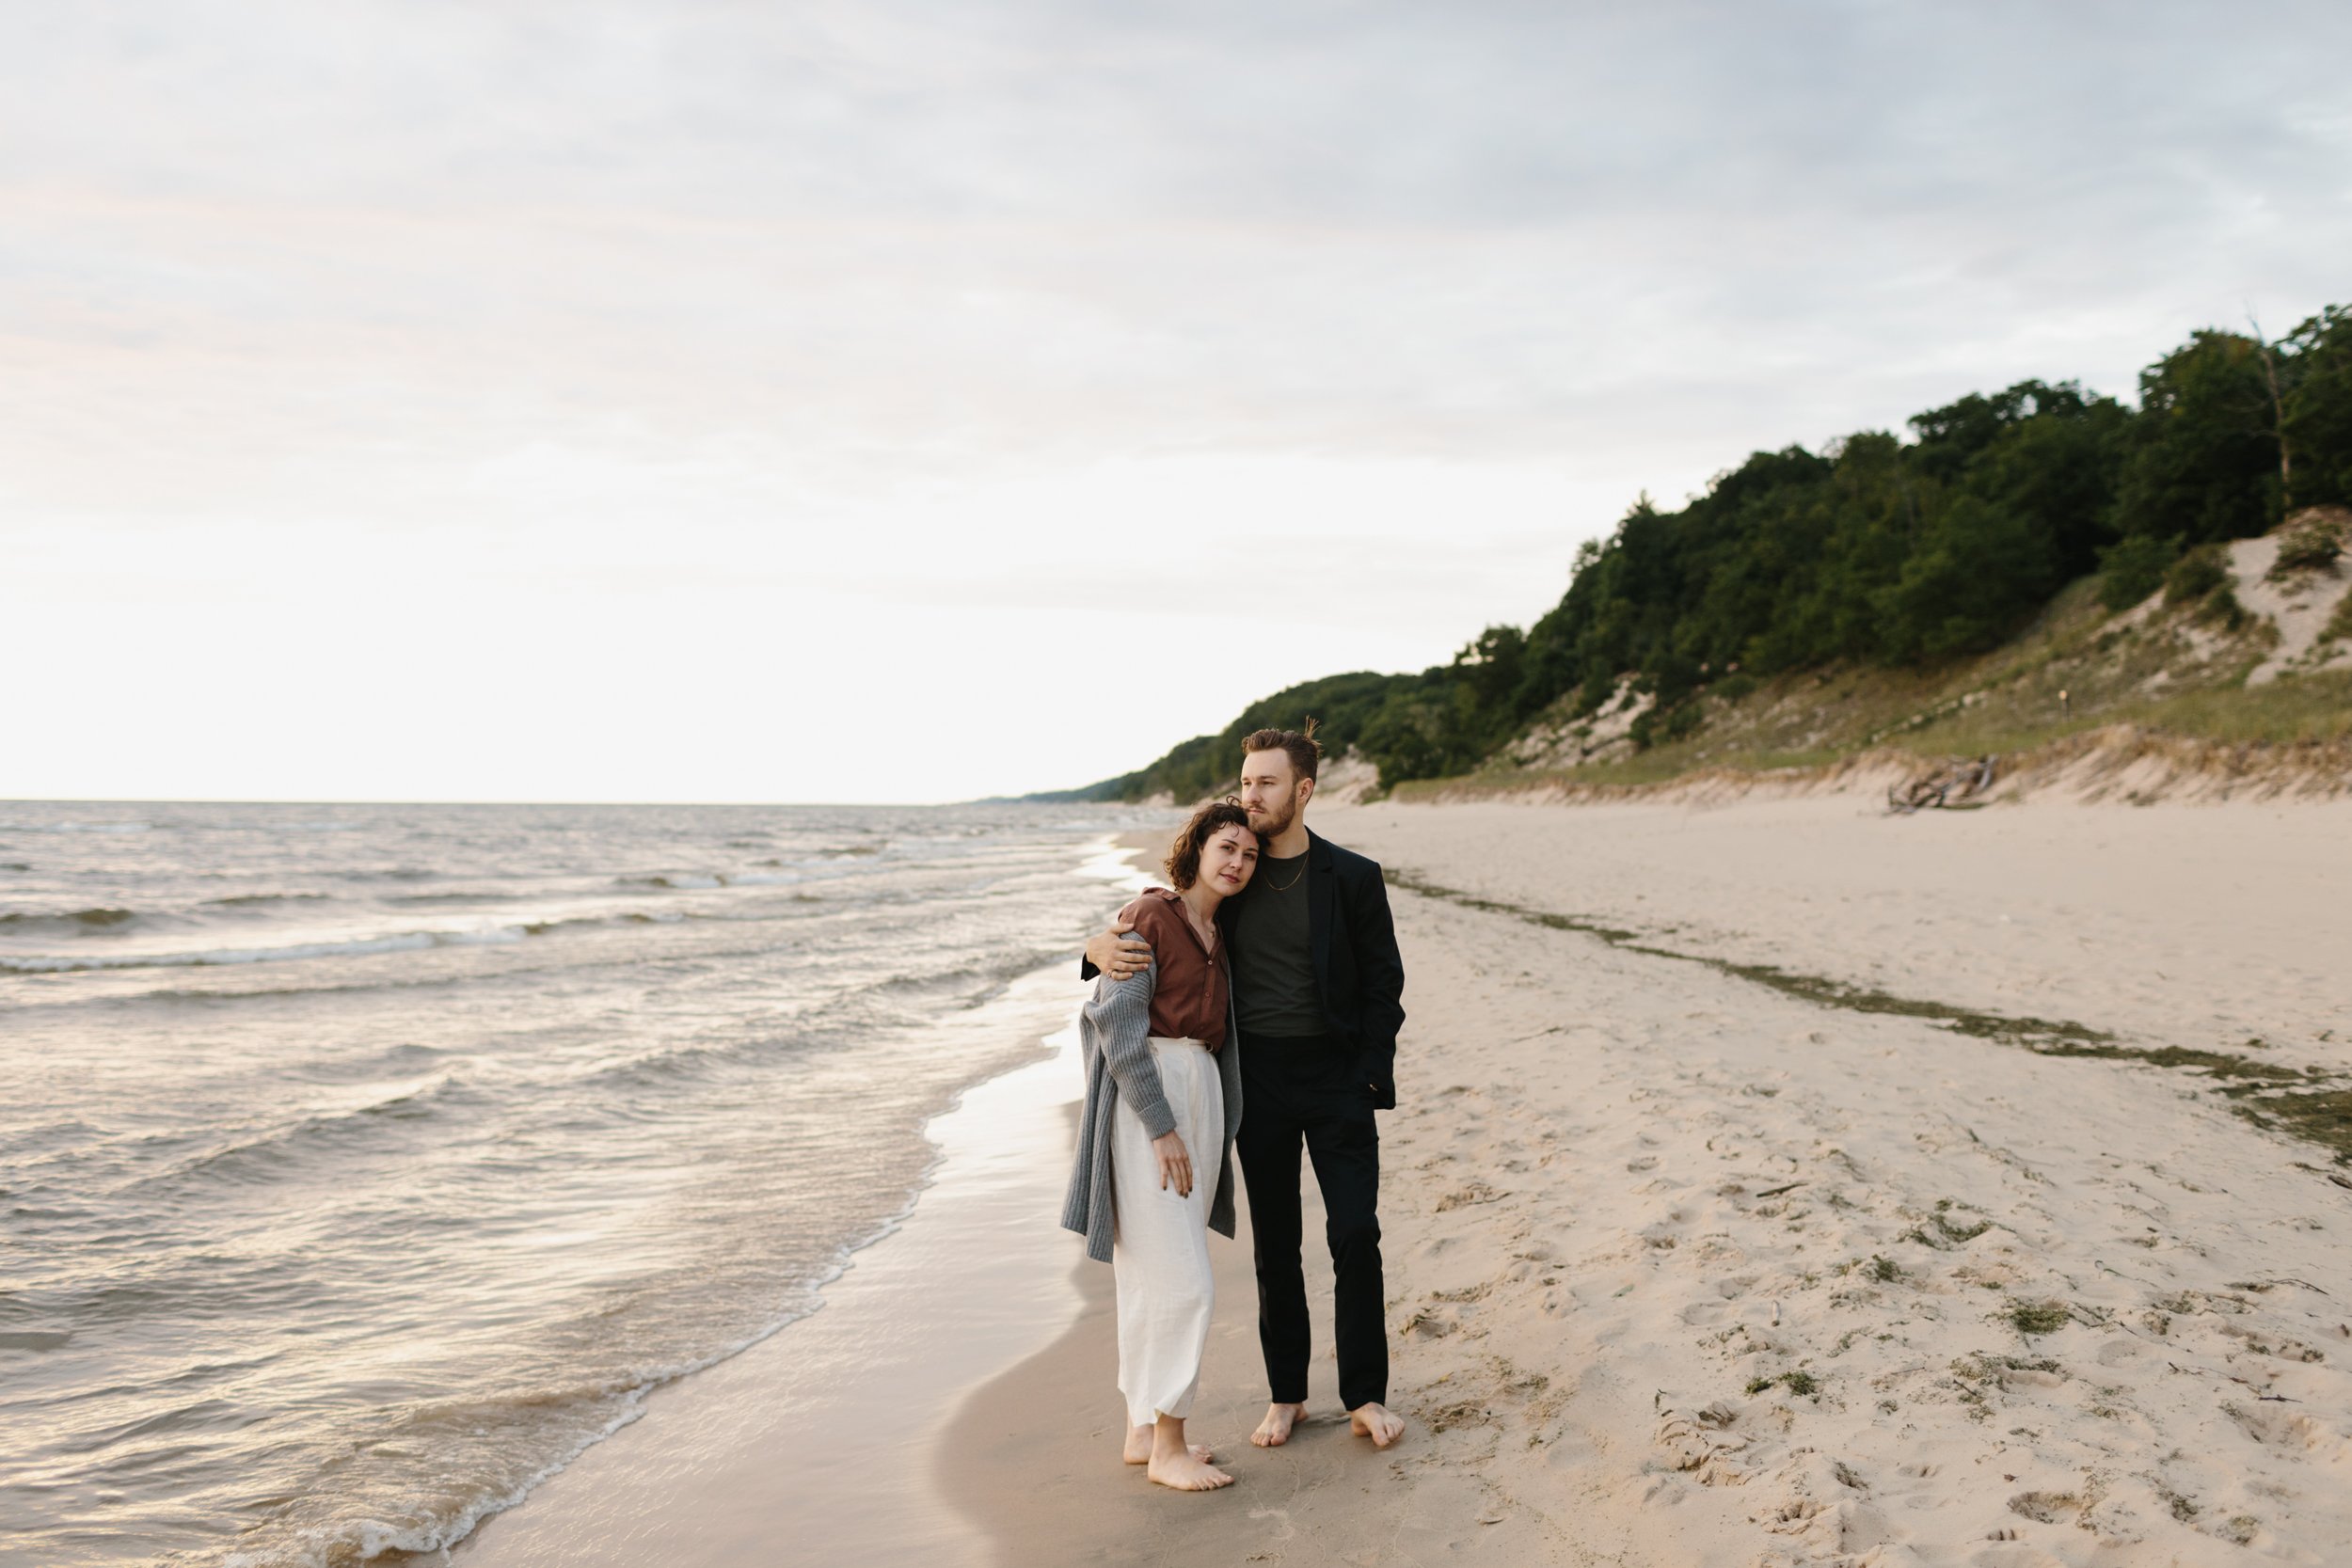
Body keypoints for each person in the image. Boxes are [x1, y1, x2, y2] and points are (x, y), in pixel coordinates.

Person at [1084, 724, 1407, 1451]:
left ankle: (1364, 1393)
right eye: (1245, 781)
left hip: (1337, 1079)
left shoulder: (1352, 877)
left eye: (1265, 782)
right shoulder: (1237, 873)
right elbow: (1162, 922)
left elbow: (1386, 983)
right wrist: (1093, 946)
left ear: (1304, 790)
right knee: (1277, 1243)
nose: (1249, 795)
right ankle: (1286, 1392)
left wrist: (1368, 1070)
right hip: (1254, 1080)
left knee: (1356, 1231)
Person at [1060, 800, 1259, 1491]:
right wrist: (1161, 1123)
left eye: (1248, 854)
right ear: (1197, 847)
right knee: (1185, 1281)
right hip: (1153, 1097)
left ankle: (1142, 1430)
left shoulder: (1217, 930)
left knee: (1149, 1275)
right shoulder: (1152, 915)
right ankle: (1170, 1445)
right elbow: (1116, 1023)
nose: (1236, 862)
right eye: (1226, 847)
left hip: (1200, 1087)